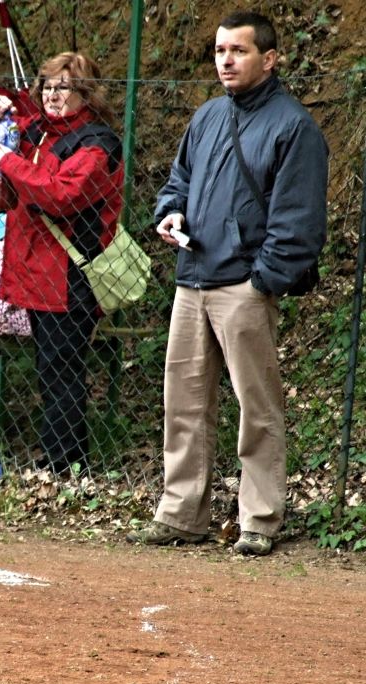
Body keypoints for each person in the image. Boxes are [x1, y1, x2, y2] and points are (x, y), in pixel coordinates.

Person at [125, 11, 328, 556]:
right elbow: (180, 180)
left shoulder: (294, 127)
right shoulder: (208, 116)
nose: (226, 61)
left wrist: (262, 279)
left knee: (256, 408)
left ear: (270, 58)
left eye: (238, 51)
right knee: (184, 404)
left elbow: (299, 221)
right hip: (190, 281)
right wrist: (170, 213)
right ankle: (181, 513)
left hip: (243, 286)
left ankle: (259, 519)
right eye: (219, 51)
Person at [0, 51, 122, 473]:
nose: (53, 95)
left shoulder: (98, 144)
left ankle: (66, 466)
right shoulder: (38, 130)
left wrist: (12, 162)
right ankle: (60, 461)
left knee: (62, 370)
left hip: (71, 275)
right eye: (48, 87)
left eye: (65, 87)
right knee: (50, 370)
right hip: (36, 270)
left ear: (86, 93)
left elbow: (61, 195)